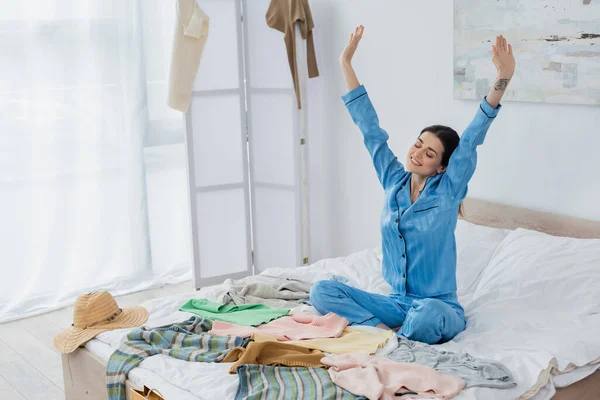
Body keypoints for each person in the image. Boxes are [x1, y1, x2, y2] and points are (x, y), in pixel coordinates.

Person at [310, 26, 516, 344]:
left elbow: (473, 137)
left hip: (438, 306)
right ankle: (383, 334)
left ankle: (391, 335)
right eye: (418, 144)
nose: (417, 153)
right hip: (395, 304)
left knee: (426, 317)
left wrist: (501, 80)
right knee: (322, 291)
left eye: (429, 152)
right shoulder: (394, 181)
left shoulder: (448, 192)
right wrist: (346, 65)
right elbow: (370, 129)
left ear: (442, 166)